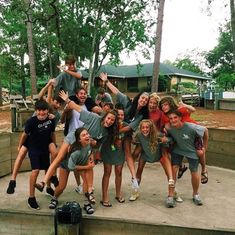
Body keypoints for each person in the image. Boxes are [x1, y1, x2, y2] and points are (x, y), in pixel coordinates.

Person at [34, 90, 118, 193]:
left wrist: (95, 144)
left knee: (87, 167)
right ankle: (43, 182)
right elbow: (76, 108)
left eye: (112, 120)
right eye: (108, 118)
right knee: (59, 157)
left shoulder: (107, 132)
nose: (109, 122)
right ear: (105, 117)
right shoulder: (94, 118)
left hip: (84, 147)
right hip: (73, 138)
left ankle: (88, 191)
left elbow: (98, 145)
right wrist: (67, 99)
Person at [6, 79, 64, 195]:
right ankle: (13, 180)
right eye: (56, 102)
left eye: (59, 104)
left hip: (43, 138)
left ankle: (50, 180)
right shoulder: (44, 106)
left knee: (52, 155)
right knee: (21, 154)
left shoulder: (55, 115)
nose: (57, 105)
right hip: (31, 137)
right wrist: (49, 84)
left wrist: (54, 142)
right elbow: (43, 95)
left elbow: (52, 131)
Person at [99, 72, 149, 201]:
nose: (143, 100)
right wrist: (106, 81)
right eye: (142, 98)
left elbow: (129, 127)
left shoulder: (141, 115)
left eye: (146, 100)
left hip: (124, 132)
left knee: (127, 153)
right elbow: (116, 92)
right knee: (110, 160)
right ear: (139, 97)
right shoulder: (127, 102)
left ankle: (133, 178)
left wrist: (119, 131)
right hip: (113, 132)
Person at [159, 96, 209, 183]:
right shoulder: (164, 115)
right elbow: (165, 125)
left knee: (200, 152)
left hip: (192, 133)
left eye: (166, 104)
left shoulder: (180, 109)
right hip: (179, 134)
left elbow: (193, 110)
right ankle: (181, 166)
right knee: (171, 148)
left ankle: (204, 170)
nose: (164, 107)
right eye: (162, 105)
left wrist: (184, 105)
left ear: (170, 104)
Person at [48, 127, 96, 214]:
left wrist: (91, 160)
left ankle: (87, 203)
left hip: (80, 163)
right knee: (61, 186)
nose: (87, 136)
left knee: (85, 181)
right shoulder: (75, 152)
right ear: (79, 140)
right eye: (83, 135)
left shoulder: (88, 144)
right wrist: (87, 167)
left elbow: (90, 152)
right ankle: (54, 198)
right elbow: (72, 167)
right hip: (67, 165)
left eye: (87, 134)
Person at [166, 110, 206, 206]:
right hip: (178, 150)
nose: (173, 120)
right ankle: (170, 195)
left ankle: (195, 194)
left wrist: (204, 147)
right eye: (171, 118)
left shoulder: (191, 127)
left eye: (175, 117)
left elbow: (205, 130)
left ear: (180, 118)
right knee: (173, 170)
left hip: (192, 151)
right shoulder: (169, 128)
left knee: (194, 171)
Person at [132, 119, 175, 207]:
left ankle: (173, 191)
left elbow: (170, 139)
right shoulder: (139, 135)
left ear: (151, 128)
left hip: (158, 155)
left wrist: (166, 139)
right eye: (143, 127)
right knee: (138, 171)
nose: (145, 129)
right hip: (145, 155)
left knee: (168, 172)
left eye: (147, 127)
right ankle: (135, 191)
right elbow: (133, 139)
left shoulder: (158, 135)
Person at [23, 100, 56, 210]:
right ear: (36, 111)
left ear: (47, 110)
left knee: (47, 168)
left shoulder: (51, 120)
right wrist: (20, 146)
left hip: (45, 148)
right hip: (34, 149)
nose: (41, 112)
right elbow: (24, 135)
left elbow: (52, 133)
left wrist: (54, 144)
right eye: (39, 110)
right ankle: (31, 198)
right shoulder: (31, 122)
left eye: (44, 110)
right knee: (35, 171)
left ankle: (48, 187)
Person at [100, 107, 126, 207]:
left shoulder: (126, 125)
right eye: (118, 115)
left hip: (119, 152)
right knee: (107, 171)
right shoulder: (109, 126)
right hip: (107, 150)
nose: (120, 116)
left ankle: (118, 194)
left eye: (122, 115)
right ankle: (104, 197)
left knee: (119, 171)